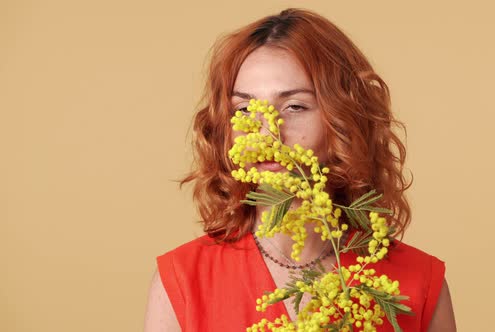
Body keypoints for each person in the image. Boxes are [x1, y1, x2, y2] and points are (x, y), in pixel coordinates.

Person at [144, 8, 456, 332]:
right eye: (245, 109)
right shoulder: (182, 282)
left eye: (295, 106)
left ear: (343, 120)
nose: (269, 134)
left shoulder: (417, 282)